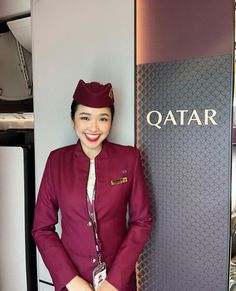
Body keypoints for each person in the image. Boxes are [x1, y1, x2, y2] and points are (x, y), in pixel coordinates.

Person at [32, 80, 152, 291]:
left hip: (118, 282)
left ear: (111, 121)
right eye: (85, 117)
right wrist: (70, 280)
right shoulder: (56, 161)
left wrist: (115, 281)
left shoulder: (129, 158)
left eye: (103, 118)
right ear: (73, 119)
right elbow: (42, 229)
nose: (94, 127)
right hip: (73, 282)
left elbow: (141, 222)